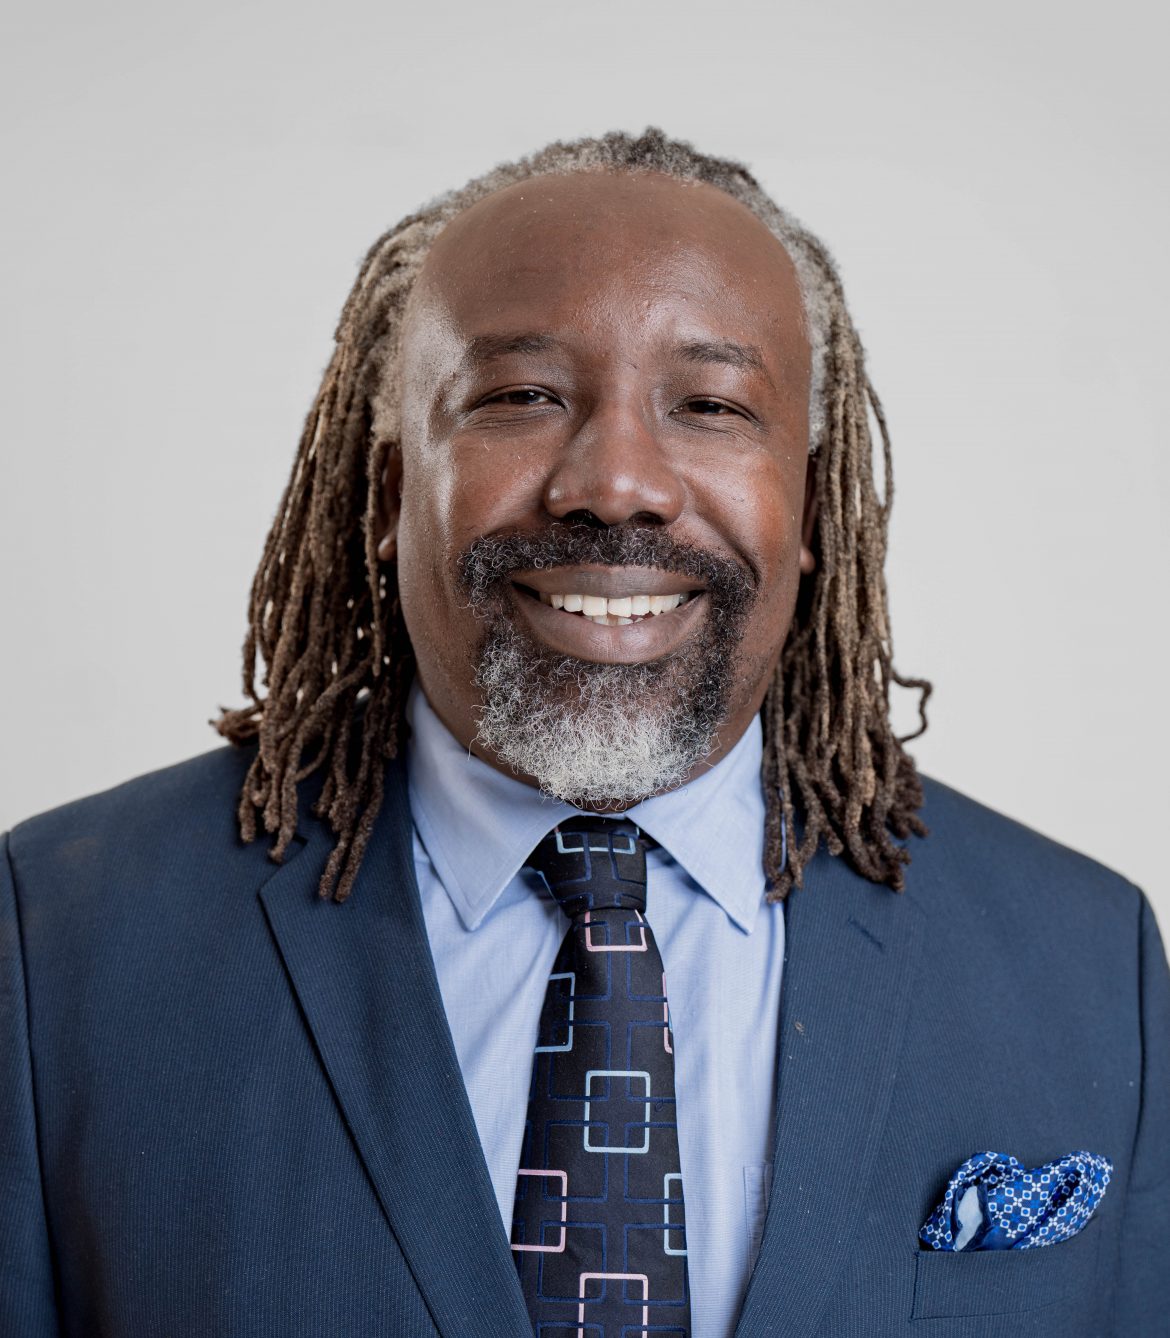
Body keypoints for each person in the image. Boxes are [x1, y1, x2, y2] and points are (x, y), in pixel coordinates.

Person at [1, 129, 1166, 1338]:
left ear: (813, 503)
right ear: (388, 491)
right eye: (522, 397)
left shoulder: (1090, 962)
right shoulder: (54, 944)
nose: (617, 484)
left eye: (710, 405)